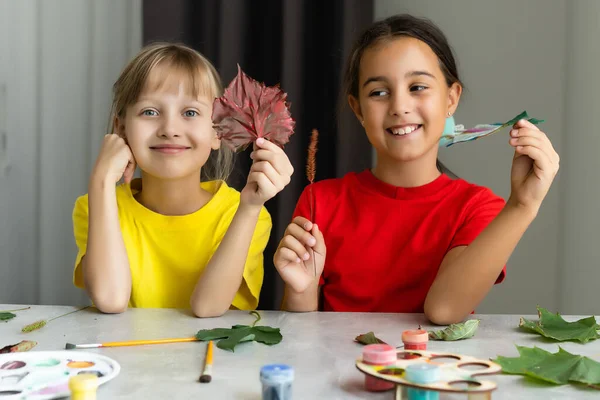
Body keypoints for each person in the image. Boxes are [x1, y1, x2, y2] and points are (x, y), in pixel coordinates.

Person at [273, 15, 559, 324]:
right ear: (358, 109)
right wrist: (300, 290)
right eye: (378, 93)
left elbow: (443, 310)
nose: (399, 105)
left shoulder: (477, 209)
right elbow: (300, 337)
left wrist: (522, 206)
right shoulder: (320, 201)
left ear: (451, 99)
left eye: (418, 87)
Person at [72, 43, 293, 317]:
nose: (170, 130)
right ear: (122, 129)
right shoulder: (96, 206)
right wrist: (102, 180)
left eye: (190, 113)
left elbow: (207, 308)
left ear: (218, 132)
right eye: (150, 112)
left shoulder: (245, 213)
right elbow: (111, 298)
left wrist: (249, 207)